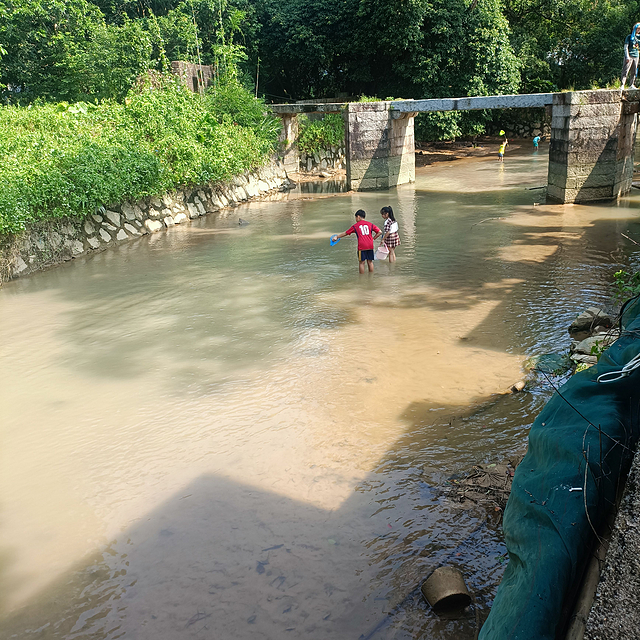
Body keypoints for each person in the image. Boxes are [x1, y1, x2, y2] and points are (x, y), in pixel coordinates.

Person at [621, 23, 640, 94]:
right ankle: (622, 84)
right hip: (630, 55)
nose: (638, 30)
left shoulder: (639, 37)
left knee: (634, 71)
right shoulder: (629, 37)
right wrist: (627, 56)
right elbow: (626, 47)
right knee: (625, 70)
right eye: (638, 29)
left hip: (636, 56)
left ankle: (631, 84)